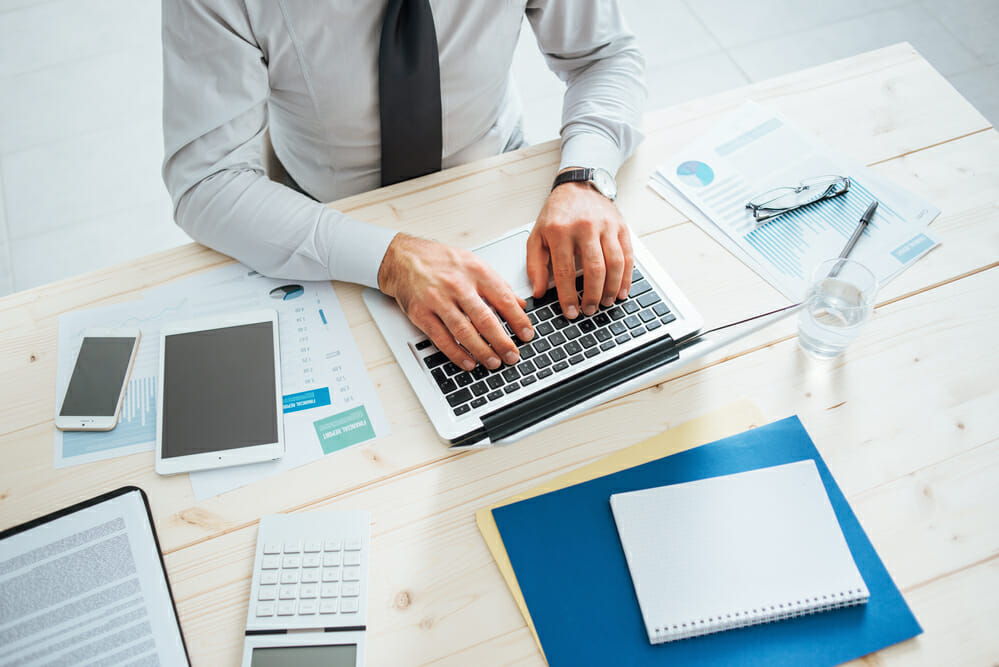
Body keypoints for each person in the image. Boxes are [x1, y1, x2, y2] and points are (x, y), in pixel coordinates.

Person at [161, 0, 646, 372]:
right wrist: (389, 260)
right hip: (330, 225)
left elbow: (602, 57)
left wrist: (585, 175)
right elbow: (207, 180)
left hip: (496, 186)